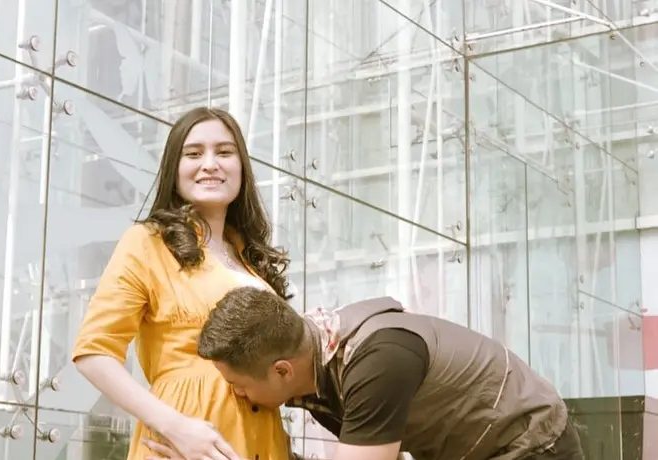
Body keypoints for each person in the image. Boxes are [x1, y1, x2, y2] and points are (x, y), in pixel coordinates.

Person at [72, 107, 293, 460]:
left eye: (225, 152)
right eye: (193, 153)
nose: (210, 164)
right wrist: (176, 427)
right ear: (174, 169)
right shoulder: (148, 243)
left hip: (262, 442)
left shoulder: (252, 261)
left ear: (242, 168)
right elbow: (93, 353)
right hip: (184, 442)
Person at [196, 286, 586, 460]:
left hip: (530, 446)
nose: (238, 395)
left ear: (281, 370)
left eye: (238, 385)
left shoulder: (377, 362)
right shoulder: (314, 369)